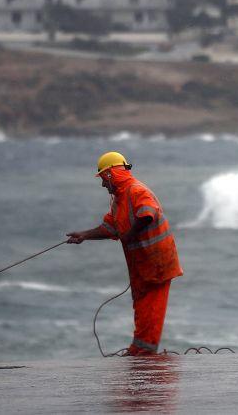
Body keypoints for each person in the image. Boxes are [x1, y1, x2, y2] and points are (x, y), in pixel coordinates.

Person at [66, 151, 183, 356]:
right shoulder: (119, 200)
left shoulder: (136, 190)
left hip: (157, 261)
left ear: (111, 174)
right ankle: (138, 348)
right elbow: (109, 228)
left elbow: (148, 213)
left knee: (151, 308)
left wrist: (130, 233)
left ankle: (146, 352)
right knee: (140, 304)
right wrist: (84, 235)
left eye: (103, 179)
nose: (103, 185)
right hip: (141, 264)